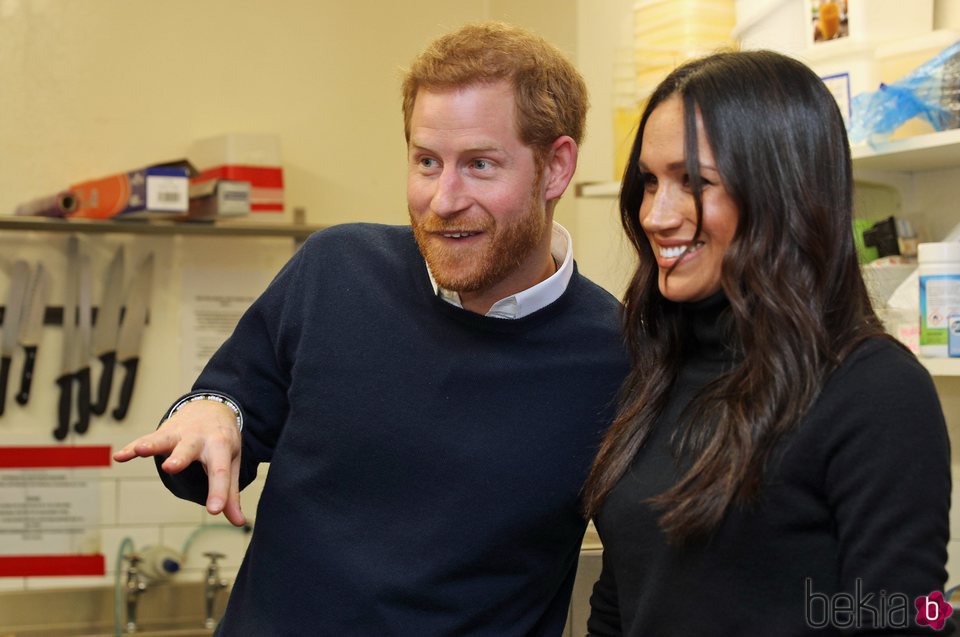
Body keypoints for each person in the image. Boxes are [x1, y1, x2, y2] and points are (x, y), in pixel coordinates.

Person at [113, 22, 628, 636]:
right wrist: (207, 413)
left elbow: (635, 581)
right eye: (427, 161)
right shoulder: (335, 270)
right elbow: (218, 429)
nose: (443, 198)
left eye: (481, 165)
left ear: (556, 168)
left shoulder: (618, 355)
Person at [582, 50, 952, 636]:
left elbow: (905, 619)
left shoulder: (874, 390)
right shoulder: (658, 371)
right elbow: (624, 599)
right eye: (649, 182)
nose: (655, 214)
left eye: (694, 182)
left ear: (784, 192)